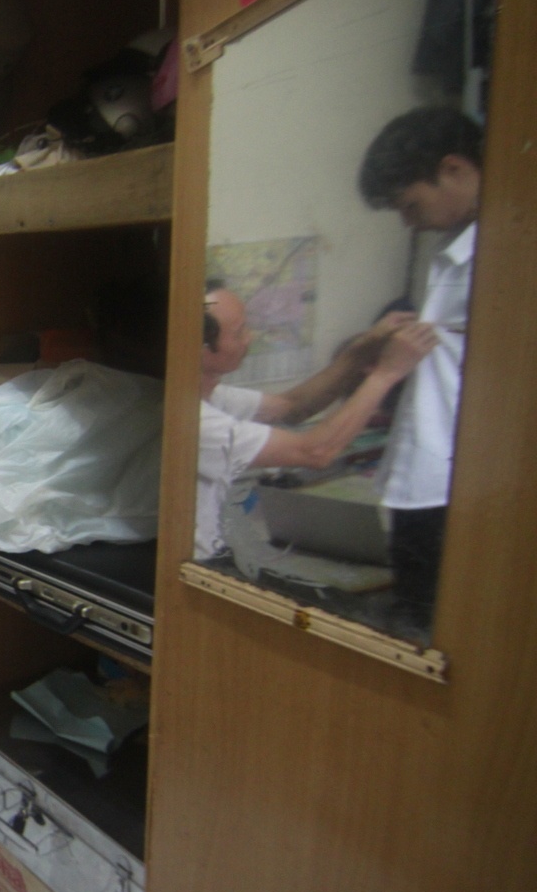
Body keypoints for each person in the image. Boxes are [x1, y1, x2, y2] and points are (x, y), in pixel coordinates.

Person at [195, 285, 436, 560]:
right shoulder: (194, 420)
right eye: (239, 332)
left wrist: (362, 349)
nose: (249, 338)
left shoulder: (210, 394)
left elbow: (290, 408)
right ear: (201, 349)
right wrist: (386, 374)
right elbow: (316, 451)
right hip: (189, 562)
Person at [358, 106, 482, 630]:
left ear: (454, 169)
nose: (409, 222)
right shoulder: (454, 251)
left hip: (460, 482)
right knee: (413, 610)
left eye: (410, 205)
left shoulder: (506, 254)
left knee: (438, 624)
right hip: (427, 472)